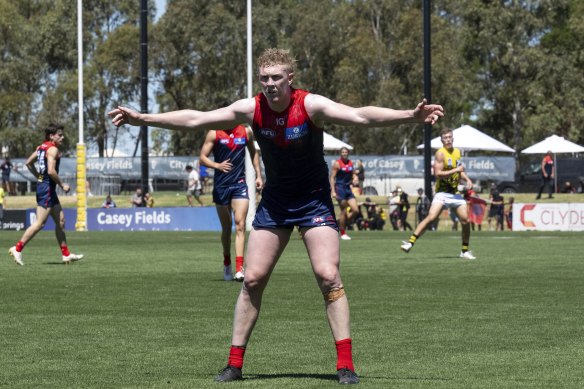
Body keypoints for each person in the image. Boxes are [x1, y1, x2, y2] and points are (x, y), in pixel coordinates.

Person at [109, 47, 444, 385]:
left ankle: (345, 365)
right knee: (252, 279)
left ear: (290, 78)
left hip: (314, 203)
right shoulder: (251, 108)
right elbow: (197, 118)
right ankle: (234, 365)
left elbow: (360, 115)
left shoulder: (310, 105)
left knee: (328, 276)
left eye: (276, 78)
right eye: (264, 78)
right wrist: (143, 119)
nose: (270, 84)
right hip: (275, 205)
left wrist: (410, 116)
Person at [8, 124, 83, 266]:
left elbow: (28, 163)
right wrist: (62, 184)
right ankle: (17, 248)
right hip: (47, 188)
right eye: (59, 135)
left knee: (60, 221)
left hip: (46, 187)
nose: (62, 137)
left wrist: (38, 177)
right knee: (39, 223)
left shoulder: (41, 147)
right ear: (51, 136)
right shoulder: (53, 149)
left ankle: (66, 254)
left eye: (62, 135)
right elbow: (51, 171)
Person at [199, 125, 263, 282]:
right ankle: (226, 261)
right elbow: (202, 157)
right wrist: (217, 165)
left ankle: (240, 269)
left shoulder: (245, 131)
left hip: (239, 184)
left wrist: (258, 175)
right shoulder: (214, 133)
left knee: (240, 224)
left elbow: (254, 152)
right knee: (227, 229)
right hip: (221, 187)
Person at [400, 128, 475, 260]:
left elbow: (459, 170)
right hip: (442, 193)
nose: (448, 140)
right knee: (431, 217)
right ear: (442, 140)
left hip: (455, 193)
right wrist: (456, 170)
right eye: (445, 138)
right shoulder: (440, 154)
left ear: (453, 138)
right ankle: (410, 243)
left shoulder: (457, 152)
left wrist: (467, 179)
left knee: (465, 221)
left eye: (450, 137)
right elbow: (438, 174)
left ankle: (464, 250)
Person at [330, 147, 359, 240]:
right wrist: (333, 191)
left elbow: (353, 173)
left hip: (348, 188)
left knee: (356, 210)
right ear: (340, 153)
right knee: (344, 210)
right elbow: (332, 178)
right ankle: (343, 233)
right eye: (343, 152)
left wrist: (355, 177)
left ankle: (342, 222)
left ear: (348, 153)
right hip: (340, 188)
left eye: (346, 152)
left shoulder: (350, 163)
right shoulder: (337, 164)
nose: (344, 153)